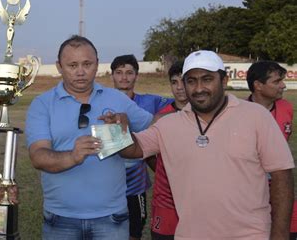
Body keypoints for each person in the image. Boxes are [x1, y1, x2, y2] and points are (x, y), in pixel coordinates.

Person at [101, 50, 295, 239]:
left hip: (251, 234)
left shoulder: (256, 116)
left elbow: (282, 175)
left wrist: (279, 234)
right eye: (191, 81)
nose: (199, 88)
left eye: (207, 79)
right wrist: (114, 130)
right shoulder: (169, 124)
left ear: (224, 80)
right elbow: (132, 150)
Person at [25, 35, 153, 239]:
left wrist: (126, 129)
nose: (81, 72)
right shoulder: (42, 104)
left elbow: (154, 127)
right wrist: (72, 156)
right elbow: (37, 156)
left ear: (97, 64)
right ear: (59, 67)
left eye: (87, 64)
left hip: (112, 218)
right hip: (60, 219)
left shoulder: (117, 99)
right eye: (72, 65)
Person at [110, 54, 173, 240]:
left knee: (135, 231)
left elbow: (179, 106)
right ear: (112, 75)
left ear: (136, 76)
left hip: (135, 185)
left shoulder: (150, 102)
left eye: (129, 72)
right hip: (107, 183)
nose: (124, 77)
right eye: (119, 72)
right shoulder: (102, 101)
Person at [246, 61, 297, 239]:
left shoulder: (287, 108)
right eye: (276, 81)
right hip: (249, 194)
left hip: (280, 188)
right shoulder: (238, 113)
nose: (283, 85)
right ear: (258, 86)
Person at [150, 61, 187, 240]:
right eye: (174, 82)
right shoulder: (161, 117)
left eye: (184, 81)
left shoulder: (208, 115)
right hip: (166, 201)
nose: (179, 88)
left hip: (199, 201)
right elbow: (147, 153)